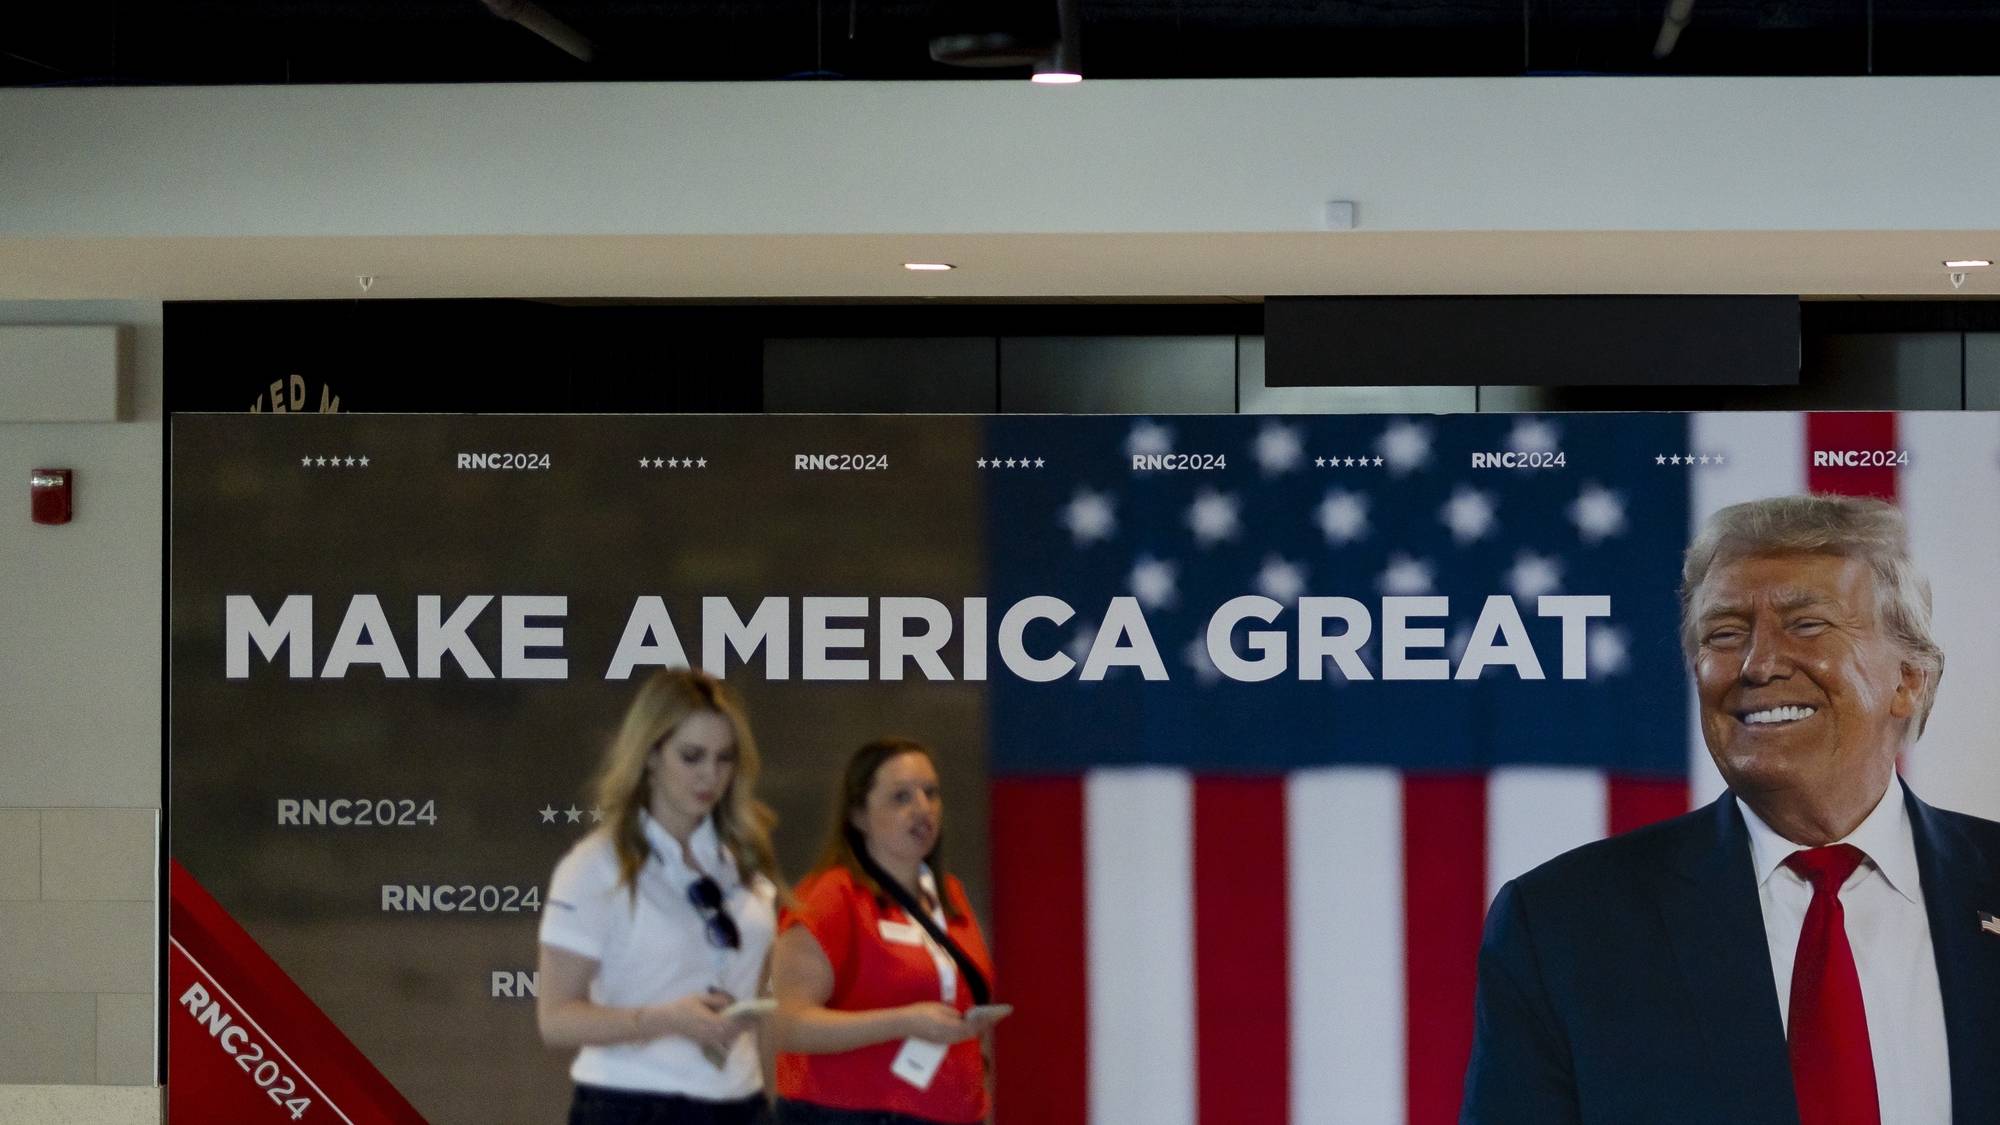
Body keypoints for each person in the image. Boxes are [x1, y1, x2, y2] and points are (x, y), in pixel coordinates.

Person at [1463, 493, 2000, 1125]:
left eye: (1806, 624)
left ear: (1909, 679)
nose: (1758, 664)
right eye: (1725, 634)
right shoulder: (1562, 925)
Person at [538, 668, 783, 1125]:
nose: (710, 775)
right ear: (650, 755)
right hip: (631, 1103)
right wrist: (666, 1020)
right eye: (691, 756)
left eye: (724, 758)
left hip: (741, 1101)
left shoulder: (743, 860)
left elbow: (760, 987)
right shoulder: (594, 867)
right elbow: (555, 1019)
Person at [769, 737, 1007, 1125]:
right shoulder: (832, 895)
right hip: (850, 1114)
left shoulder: (949, 895)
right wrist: (902, 1022)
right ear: (859, 814)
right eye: (901, 798)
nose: (922, 809)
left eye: (930, 794)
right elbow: (785, 1023)